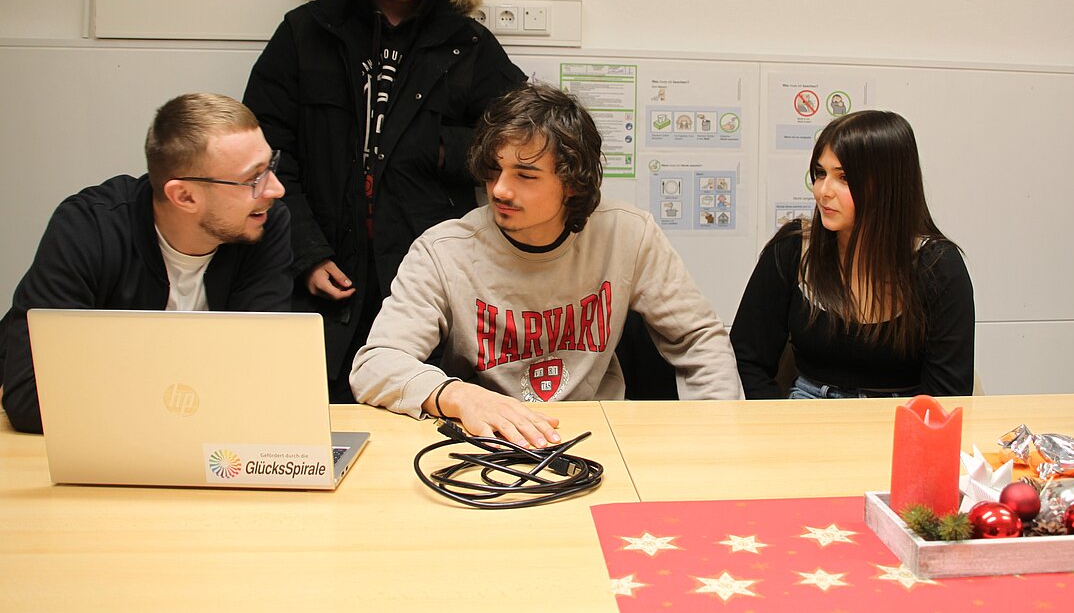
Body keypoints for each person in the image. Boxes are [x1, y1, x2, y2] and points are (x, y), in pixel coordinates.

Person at [243, 0, 525, 403]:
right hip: (320, 274)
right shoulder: (307, 33)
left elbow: (519, 142)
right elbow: (265, 153)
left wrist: (441, 149)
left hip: (425, 277)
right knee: (311, 416)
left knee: (421, 411)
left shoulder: (467, 44)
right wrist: (303, 249)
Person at [350, 83, 743, 447]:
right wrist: (458, 395)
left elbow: (698, 339)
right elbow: (375, 364)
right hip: (486, 440)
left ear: (572, 182)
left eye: (525, 175)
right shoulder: (443, 250)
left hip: (602, 436)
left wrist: (717, 434)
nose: (500, 189)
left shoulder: (627, 234)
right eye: (495, 170)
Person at [0, 93, 293, 433]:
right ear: (184, 196)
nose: (275, 189)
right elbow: (33, 403)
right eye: (254, 178)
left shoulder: (263, 224)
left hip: (179, 445)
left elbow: (262, 387)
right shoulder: (88, 228)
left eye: (271, 166)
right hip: (15, 448)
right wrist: (201, 383)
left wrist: (96, 384)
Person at [730, 110, 975, 399]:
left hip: (901, 417)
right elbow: (746, 360)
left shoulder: (938, 265)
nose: (823, 191)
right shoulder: (794, 247)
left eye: (844, 177)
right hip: (808, 408)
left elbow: (947, 393)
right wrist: (780, 426)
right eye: (821, 174)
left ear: (889, 186)